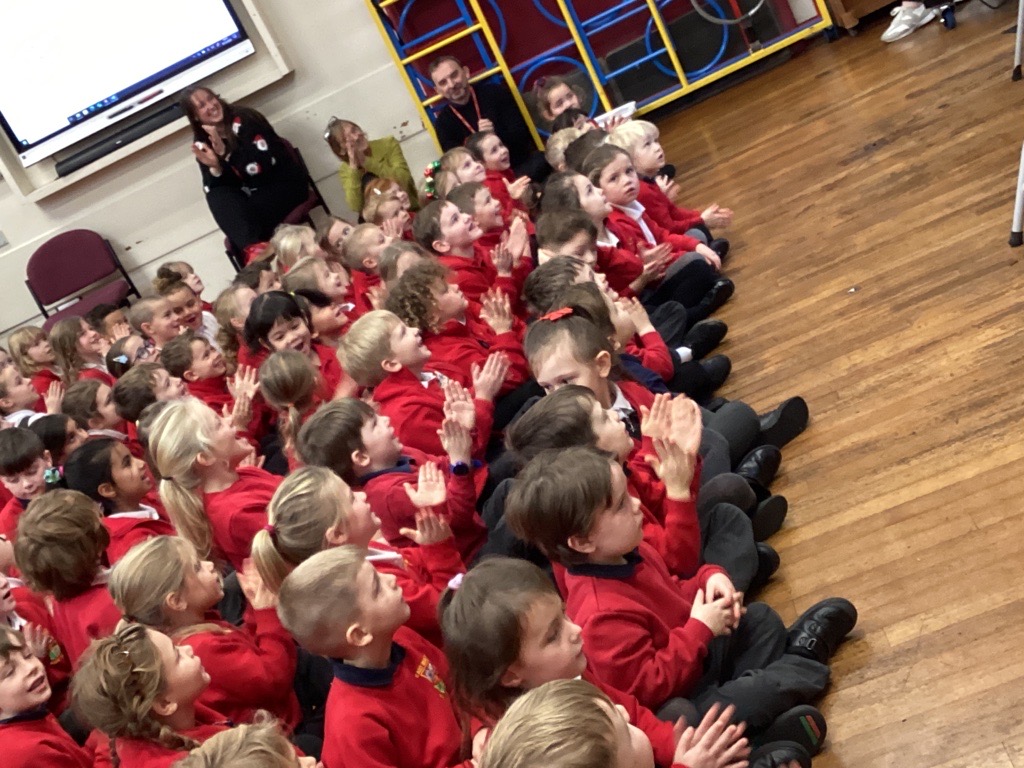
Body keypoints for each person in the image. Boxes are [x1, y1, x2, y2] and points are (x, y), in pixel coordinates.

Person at [505, 447, 856, 757]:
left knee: (760, 619)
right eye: (621, 505)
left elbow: (675, 588)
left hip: (696, 659)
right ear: (582, 542)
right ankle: (801, 662)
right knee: (710, 706)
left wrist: (709, 579)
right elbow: (648, 688)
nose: (636, 504)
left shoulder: (628, 551)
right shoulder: (599, 613)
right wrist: (699, 629)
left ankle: (765, 713)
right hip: (681, 693)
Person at [276, 545, 470, 768]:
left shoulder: (403, 638)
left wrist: (481, 727)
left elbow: (459, 688)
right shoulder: (354, 723)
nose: (392, 579)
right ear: (360, 635)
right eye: (377, 588)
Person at [181, 86, 310, 252]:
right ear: (195, 116)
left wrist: (225, 153)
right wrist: (216, 168)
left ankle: (253, 253)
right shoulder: (202, 142)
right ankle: (253, 251)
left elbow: (261, 165)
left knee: (244, 225)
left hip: (283, 183)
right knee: (217, 196)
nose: (211, 106)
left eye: (211, 98)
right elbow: (214, 187)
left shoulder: (245, 119)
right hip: (252, 195)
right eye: (202, 105)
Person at [429, 55, 548, 181]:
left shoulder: (495, 93)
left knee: (542, 161)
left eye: (454, 75)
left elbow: (523, 136)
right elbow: (457, 167)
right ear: (438, 90)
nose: (452, 84)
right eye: (443, 82)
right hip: (485, 182)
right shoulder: (443, 124)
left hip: (520, 166)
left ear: (466, 72)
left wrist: (494, 134)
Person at [0, 627, 91, 768]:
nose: (30, 667)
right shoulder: (27, 752)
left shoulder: (33, 715)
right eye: (10, 672)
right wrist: (108, 739)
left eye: (28, 655)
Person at [324, 118, 419, 213]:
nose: (356, 137)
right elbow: (356, 206)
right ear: (341, 150)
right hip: (382, 218)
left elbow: (404, 179)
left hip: (410, 209)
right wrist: (354, 168)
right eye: (346, 140)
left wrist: (366, 161)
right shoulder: (345, 170)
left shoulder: (388, 143)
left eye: (354, 130)